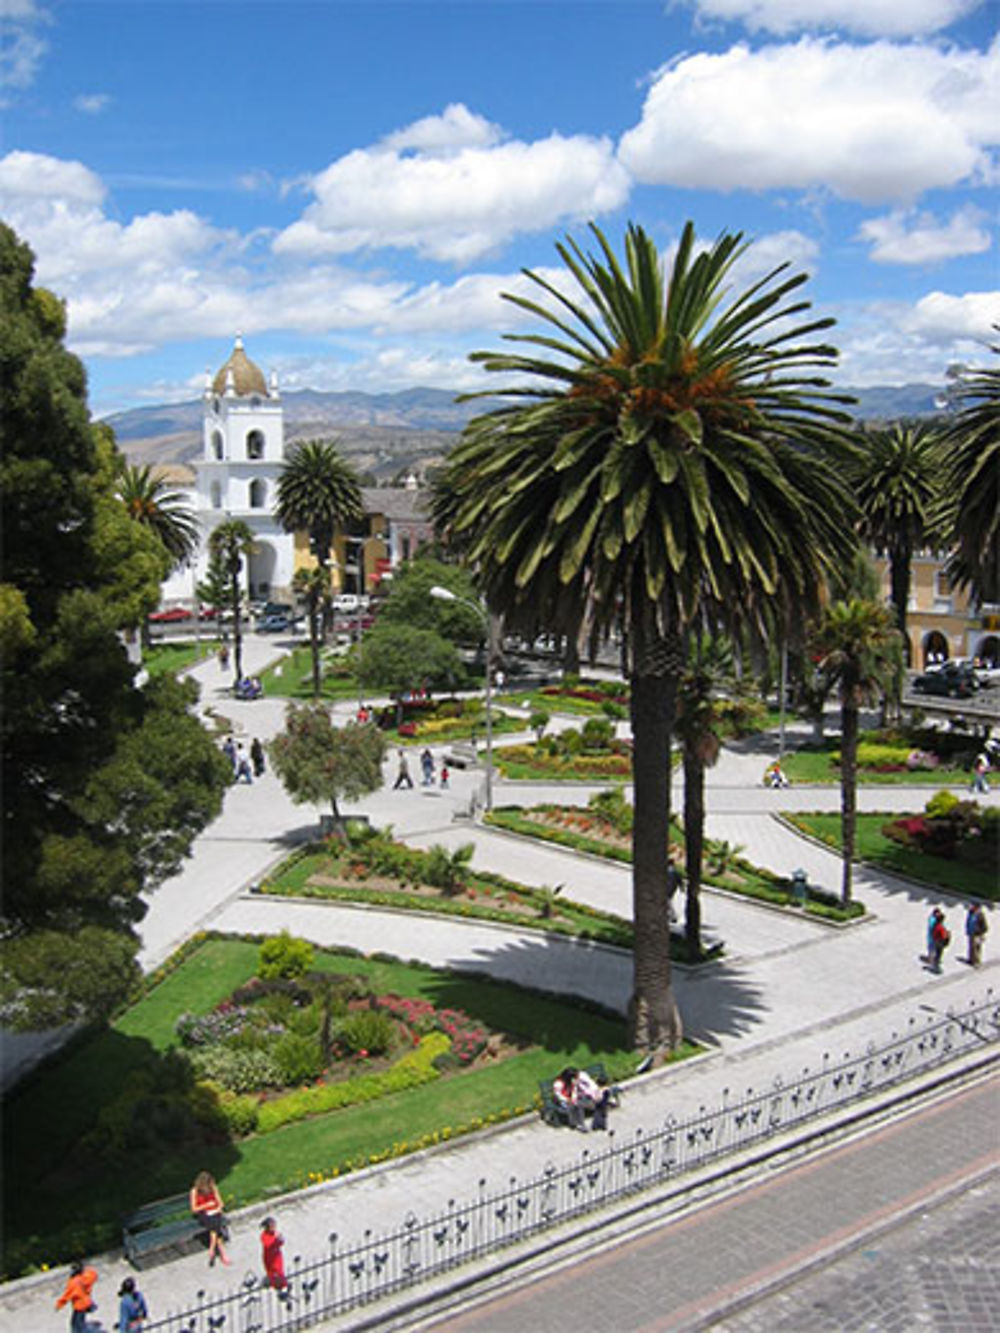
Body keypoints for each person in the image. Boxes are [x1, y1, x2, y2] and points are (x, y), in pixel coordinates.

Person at [189, 1170, 231, 1267]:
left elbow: (220, 1202)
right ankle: (221, 1253)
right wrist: (206, 1205)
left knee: (215, 1223)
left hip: (215, 1212)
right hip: (204, 1214)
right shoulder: (194, 1191)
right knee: (216, 1226)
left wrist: (218, 1207)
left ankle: (212, 1249)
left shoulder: (213, 1187)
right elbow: (194, 1209)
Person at [56, 1260, 98, 1333]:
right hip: (87, 1302)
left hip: (79, 1305)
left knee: (76, 1325)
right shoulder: (87, 1277)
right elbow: (93, 1273)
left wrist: (59, 1304)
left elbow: (67, 1295)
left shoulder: (73, 1282)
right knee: (80, 1322)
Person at [260, 1216, 288, 1290]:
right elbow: (268, 1244)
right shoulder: (264, 1235)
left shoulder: (275, 1233)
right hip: (270, 1257)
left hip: (277, 1256)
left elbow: (281, 1243)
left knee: (279, 1271)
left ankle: (283, 1285)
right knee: (273, 1272)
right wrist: (275, 1238)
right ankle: (275, 1285)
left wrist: (280, 1238)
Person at [966, 902, 988, 967]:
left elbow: (985, 926)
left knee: (977, 948)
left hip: (977, 934)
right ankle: (971, 959)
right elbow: (968, 921)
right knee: (971, 947)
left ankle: (977, 962)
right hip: (971, 933)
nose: (971, 907)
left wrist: (980, 932)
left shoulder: (980, 915)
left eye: (973, 906)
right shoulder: (970, 913)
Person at [928, 908, 950, 973]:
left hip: (935, 941)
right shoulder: (940, 927)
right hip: (939, 943)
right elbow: (943, 936)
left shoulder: (936, 924)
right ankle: (936, 968)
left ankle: (934, 965)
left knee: (936, 954)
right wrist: (947, 934)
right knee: (938, 955)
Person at [665, 856, 683, 923]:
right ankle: (670, 915)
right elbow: (680, 881)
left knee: (667, 902)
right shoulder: (675, 872)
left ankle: (673, 916)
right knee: (668, 901)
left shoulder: (666, 871)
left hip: (667, 888)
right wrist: (681, 888)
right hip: (672, 889)